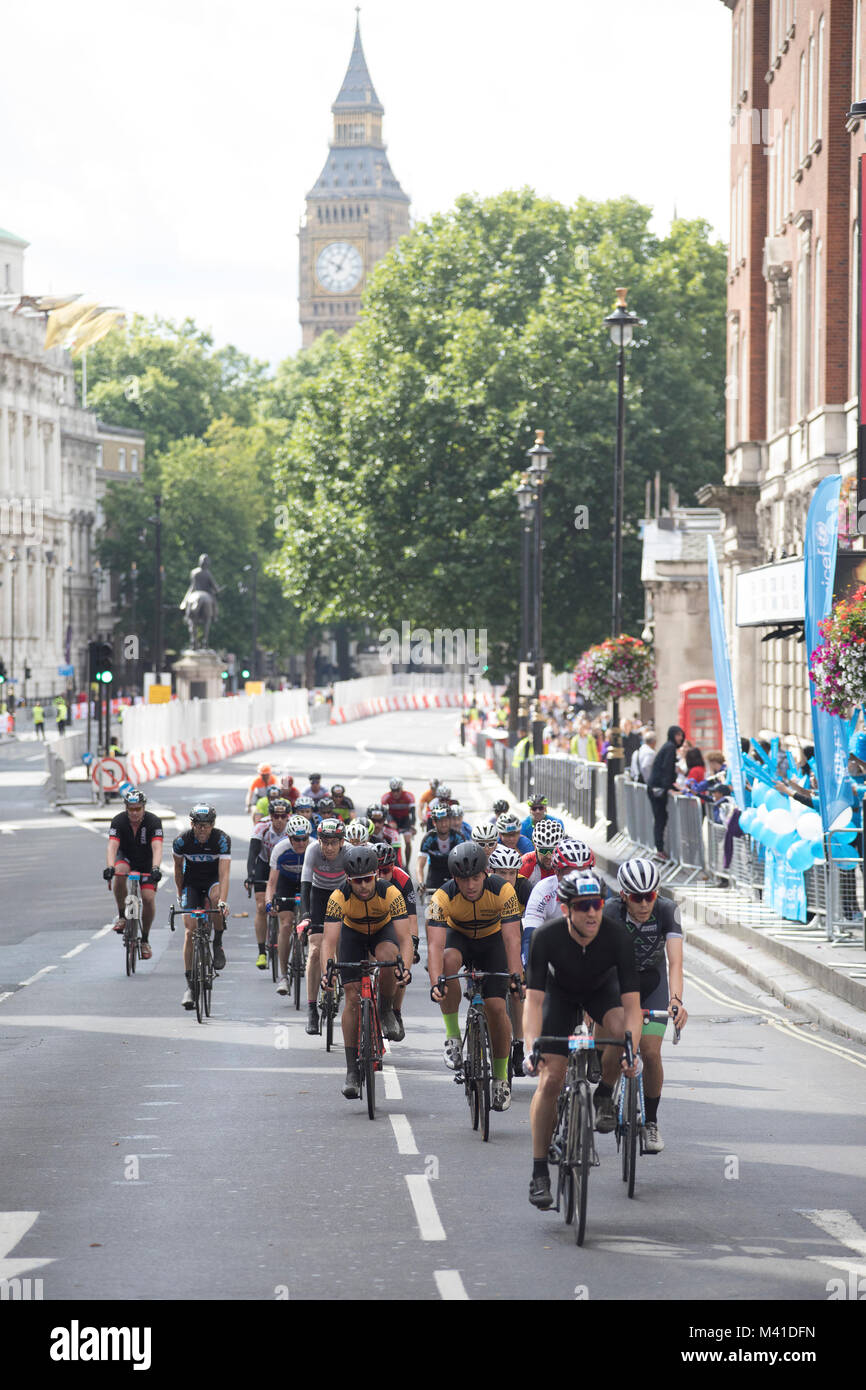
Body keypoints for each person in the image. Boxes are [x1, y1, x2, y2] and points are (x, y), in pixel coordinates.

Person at [523, 871, 644, 1210]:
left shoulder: (618, 937)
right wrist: (531, 1047)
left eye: (598, 905)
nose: (592, 913)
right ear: (565, 910)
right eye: (583, 906)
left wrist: (631, 1050)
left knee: (621, 1030)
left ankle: (604, 1092)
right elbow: (532, 1002)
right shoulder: (547, 937)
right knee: (550, 1080)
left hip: (600, 992)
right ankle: (539, 1173)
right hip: (559, 996)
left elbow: (632, 1005)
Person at [427, 841, 524, 1112]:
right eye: (463, 879)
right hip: (460, 939)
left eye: (475, 878)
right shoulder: (442, 897)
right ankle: (453, 1036)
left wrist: (516, 975)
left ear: (485, 873)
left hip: (494, 941)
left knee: (495, 1007)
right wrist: (437, 982)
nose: (470, 885)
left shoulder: (503, 890)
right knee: (447, 963)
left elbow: (512, 938)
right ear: (454, 879)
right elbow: (435, 945)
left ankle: (501, 1077)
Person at [602, 859, 688, 1153]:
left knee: (651, 1051)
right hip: (616, 982)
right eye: (637, 897)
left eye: (649, 895)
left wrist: (676, 1000)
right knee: (616, 1041)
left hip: (652, 983)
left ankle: (650, 1122)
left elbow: (675, 961)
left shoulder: (667, 910)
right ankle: (606, 1096)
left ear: (657, 892)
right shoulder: (610, 911)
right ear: (624, 895)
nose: (643, 904)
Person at [321, 844, 413, 1098]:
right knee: (351, 998)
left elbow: (405, 940)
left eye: (368, 879)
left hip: (382, 932)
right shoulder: (339, 897)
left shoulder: (391, 892)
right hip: (352, 935)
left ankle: (384, 1010)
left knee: (388, 957)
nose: (363, 886)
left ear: (375, 875)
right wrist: (327, 973)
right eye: (357, 881)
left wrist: (403, 969)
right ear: (348, 880)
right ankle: (352, 1071)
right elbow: (329, 942)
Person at [172, 805, 231, 1011]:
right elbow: (178, 870)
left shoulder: (221, 840)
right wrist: (180, 894)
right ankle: (189, 985)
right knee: (189, 931)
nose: (202, 830)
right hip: (192, 884)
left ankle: (218, 943)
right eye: (198, 825)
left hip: (213, 881)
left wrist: (223, 900)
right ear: (192, 825)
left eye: (206, 825)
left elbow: (224, 874)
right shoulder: (182, 841)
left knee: (215, 898)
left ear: (213, 825)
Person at [298, 816, 349, 1033]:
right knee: (315, 950)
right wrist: (306, 916)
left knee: (342, 944)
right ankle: (311, 1009)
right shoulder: (312, 851)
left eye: (333, 842)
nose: (328, 847)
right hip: (318, 895)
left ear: (341, 842)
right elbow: (305, 885)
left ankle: (340, 983)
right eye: (324, 842)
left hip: (342, 895)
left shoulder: (348, 855)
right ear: (319, 841)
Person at [104, 790, 163, 957]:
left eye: (138, 809)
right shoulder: (118, 821)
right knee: (119, 871)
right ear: (126, 808)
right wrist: (110, 867)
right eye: (131, 809)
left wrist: (156, 868)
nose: (134, 813)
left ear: (143, 808)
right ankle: (122, 915)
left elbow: (157, 847)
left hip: (146, 861)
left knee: (148, 897)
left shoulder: (153, 821)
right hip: (126, 858)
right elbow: (112, 846)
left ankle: (145, 940)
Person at [266, 814, 312, 997]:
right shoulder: (280, 849)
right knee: (285, 924)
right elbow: (271, 883)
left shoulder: (315, 847)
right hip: (286, 884)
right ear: (289, 837)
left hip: (307, 884)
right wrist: (269, 903)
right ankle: (284, 975)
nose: (301, 843)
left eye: (304, 839)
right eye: (296, 839)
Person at [246, 797, 292, 969]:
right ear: (270, 817)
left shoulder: (292, 829)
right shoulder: (261, 828)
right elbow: (252, 854)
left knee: (282, 909)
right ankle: (261, 952)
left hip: (283, 867)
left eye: (283, 816)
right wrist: (250, 875)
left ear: (288, 816)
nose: (279, 820)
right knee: (260, 907)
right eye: (275, 816)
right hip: (264, 865)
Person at [646, 725, 686, 857]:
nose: (680, 738)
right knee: (660, 819)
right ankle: (659, 849)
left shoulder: (668, 747)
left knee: (661, 818)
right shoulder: (670, 748)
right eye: (678, 735)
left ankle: (660, 848)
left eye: (681, 735)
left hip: (657, 787)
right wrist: (669, 788)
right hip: (658, 789)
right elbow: (666, 770)